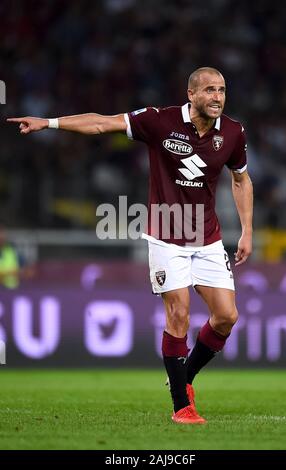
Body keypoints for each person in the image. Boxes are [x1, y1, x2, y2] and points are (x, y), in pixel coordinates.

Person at [7, 67, 253, 424]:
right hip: (166, 235)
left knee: (227, 317)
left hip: (208, 236)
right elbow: (100, 123)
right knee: (179, 313)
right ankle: (181, 406)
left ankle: (185, 379)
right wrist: (50, 123)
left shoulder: (233, 132)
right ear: (191, 94)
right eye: (210, 90)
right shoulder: (158, 121)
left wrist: (247, 230)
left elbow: (241, 179)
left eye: (222, 90)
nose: (218, 96)